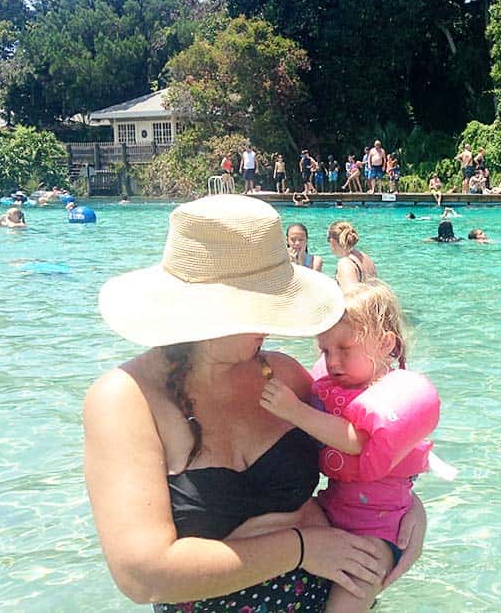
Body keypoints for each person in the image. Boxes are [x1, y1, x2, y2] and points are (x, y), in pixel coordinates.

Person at [85, 195, 425, 612]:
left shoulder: (282, 376)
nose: (272, 323)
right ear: (205, 309)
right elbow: (142, 575)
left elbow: (361, 455)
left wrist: (410, 513)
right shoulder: (126, 400)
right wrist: (302, 549)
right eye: (260, 307)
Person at [260, 280, 440, 612]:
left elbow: (358, 442)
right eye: (325, 351)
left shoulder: (392, 395)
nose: (333, 361)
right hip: (331, 511)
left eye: (345, 348)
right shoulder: (333, 389)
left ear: (386, 344)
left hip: (380, 532)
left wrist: (293, 410)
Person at [328, 221, 377, 289]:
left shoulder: (345, 263)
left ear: (332, 241)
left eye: (328, 239)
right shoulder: (365, 257)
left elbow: (350, 295)